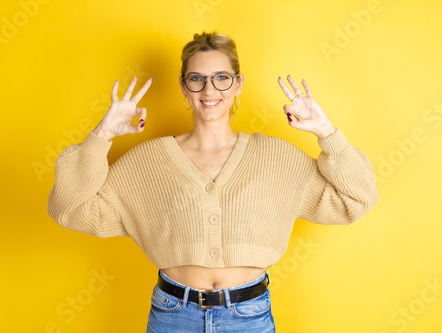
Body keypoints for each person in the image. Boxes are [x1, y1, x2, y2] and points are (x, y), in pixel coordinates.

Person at [47, 32, 379, 332]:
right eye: (197, 79)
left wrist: (327, 133)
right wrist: (102, 135)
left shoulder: (277, 156)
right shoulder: (146, 161)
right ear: (183, 86)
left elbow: (358, 200)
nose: (210, 90)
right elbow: (69, 209)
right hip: (172, 316)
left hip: (250, 316)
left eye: (221, 78)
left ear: (238, 84)